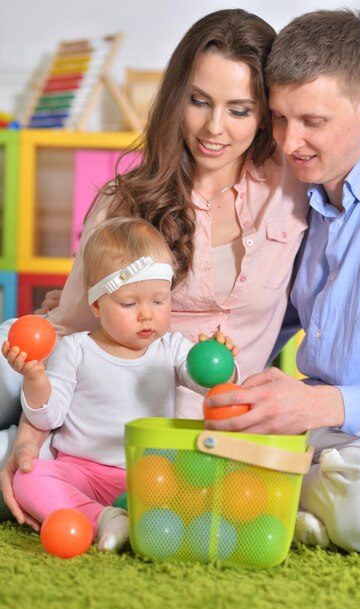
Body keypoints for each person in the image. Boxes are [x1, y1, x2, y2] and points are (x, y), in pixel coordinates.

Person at [0, 8, 309, 526]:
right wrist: (33, 436)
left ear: (265, 114)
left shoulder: (294, 190)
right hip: (74, 384)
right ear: (176, 100)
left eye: (239, 109)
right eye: (198, 102)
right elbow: (73, 330)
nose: (213, 128)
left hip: (168, 425)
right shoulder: (127, 198)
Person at [205, 8, 360, 554]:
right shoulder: (303, 200)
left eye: (313, 122)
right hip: (317, 431)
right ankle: (294, 492)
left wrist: (316, 407)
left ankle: (283, 490)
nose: (289, 141)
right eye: (278, 118)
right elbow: (275, 318)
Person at [2, 216, 238, 550]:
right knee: (30, 478)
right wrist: (35, 378)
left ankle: (131, 520)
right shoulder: (76, 349)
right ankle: (107, 520)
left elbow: (209, 386)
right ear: (97, 305)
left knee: (209, 480)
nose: (147, 314)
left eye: (159, 301)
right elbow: (47, 417)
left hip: (152, 474)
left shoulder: (171, 348)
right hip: (81, 474)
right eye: (129, 304)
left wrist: (220, 363)